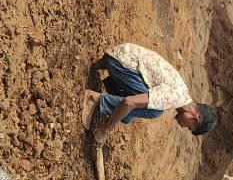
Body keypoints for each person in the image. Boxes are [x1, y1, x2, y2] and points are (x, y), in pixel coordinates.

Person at [82, 44, 218, 146]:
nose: (183, 126)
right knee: (154, 111)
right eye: (189, 126)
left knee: (126, 117)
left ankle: (108, 79)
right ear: (195, 118)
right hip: (120, 63)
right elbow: (129, 102)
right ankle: (94, 100)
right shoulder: (173, 98)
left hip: (118, 56)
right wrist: (105, 131)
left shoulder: (182, 92)